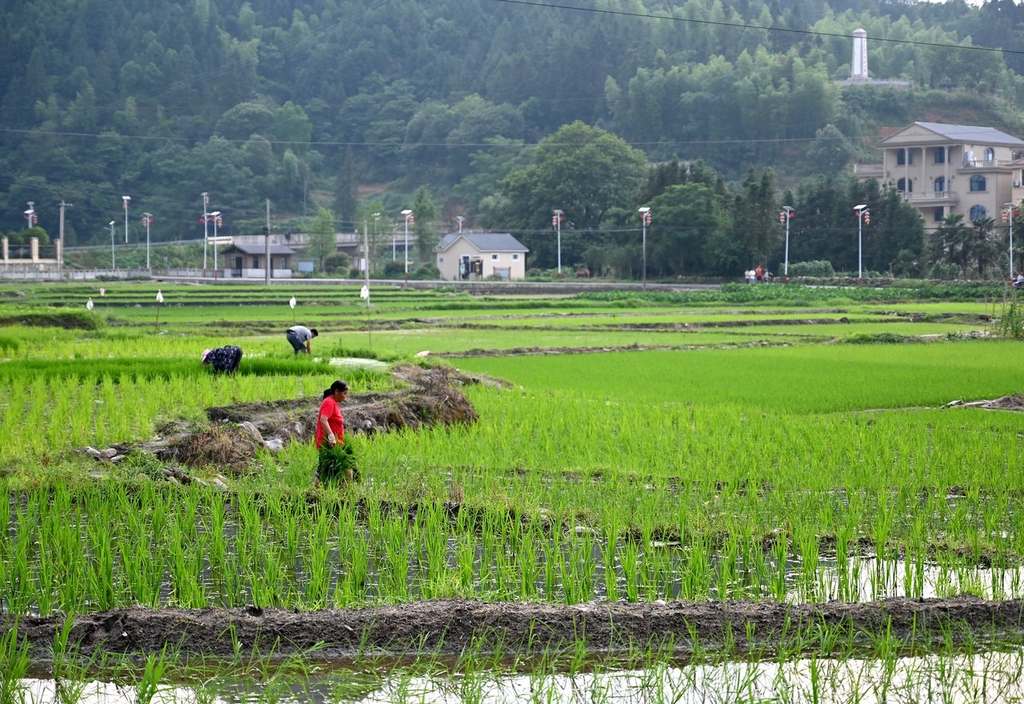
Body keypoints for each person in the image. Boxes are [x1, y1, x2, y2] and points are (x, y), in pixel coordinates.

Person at [315, 380, 350, 481]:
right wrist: (331, 437)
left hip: (335, 443)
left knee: (325, 469)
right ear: (337, 391)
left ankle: (336, 490)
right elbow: (323, 419)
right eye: (344, 393)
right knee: (345, 465)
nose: (345, 397)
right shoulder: (329, 402)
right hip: (329, 443)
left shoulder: (333, 403)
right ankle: (347, 490)